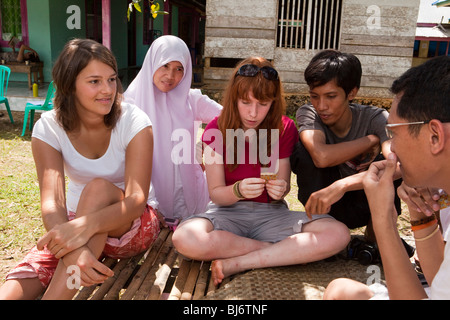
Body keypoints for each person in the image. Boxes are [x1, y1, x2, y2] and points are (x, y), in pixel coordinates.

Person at [0, 39, 160, 300]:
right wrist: (74, 249)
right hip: (74, 222)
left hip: (132, 226)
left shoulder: (133, 121)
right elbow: (52, 204)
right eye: (94, 81)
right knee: (22, 280)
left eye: (111, 79)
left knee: (96, 189)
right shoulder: (49, 128)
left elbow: (135, 202)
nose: (108, 90)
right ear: (69, 85)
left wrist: (85, 227)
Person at [172, 57, 350, 286]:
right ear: (234, 98)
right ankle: (279, 253)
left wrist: (280, 189)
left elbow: (282, 188)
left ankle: (237, 262)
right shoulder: (217, 128)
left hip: (271, 214)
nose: (253, 113)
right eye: (245, 102)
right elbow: (216, 194)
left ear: (273, 102)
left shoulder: (284, 127)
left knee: (338, 234)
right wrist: (237, 190)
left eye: (263, 104)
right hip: (226, 215)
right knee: (184, 237)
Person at [324, 55, 450, 300]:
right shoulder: (443, 192)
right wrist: (419, 213)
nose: (391, 149)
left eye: (394, 133)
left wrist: (382, 220)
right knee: (341, 291)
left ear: (434, 136)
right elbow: (439, 281)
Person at [290, 49, 403, 243]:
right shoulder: (309, 113)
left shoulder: (375, 118)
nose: (321, 105)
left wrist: (343, 185)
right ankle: (323, 230)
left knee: (390, 160)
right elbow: (321, 157)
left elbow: (399, 165)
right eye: (315, 96)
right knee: (303, 149)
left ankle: (377, 235)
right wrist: (372, 140)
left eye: (331, 96)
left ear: (351, 93)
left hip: (364, 202)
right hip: (324, 202)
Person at [124, 35, 222, 225]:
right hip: (149, 198)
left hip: (191, 194)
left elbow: (229, 118)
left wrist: (202, 145)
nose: (171, 76)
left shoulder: (191, 99)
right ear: (153, 63)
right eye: (165, 66)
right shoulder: (130, 104)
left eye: (179, 69)